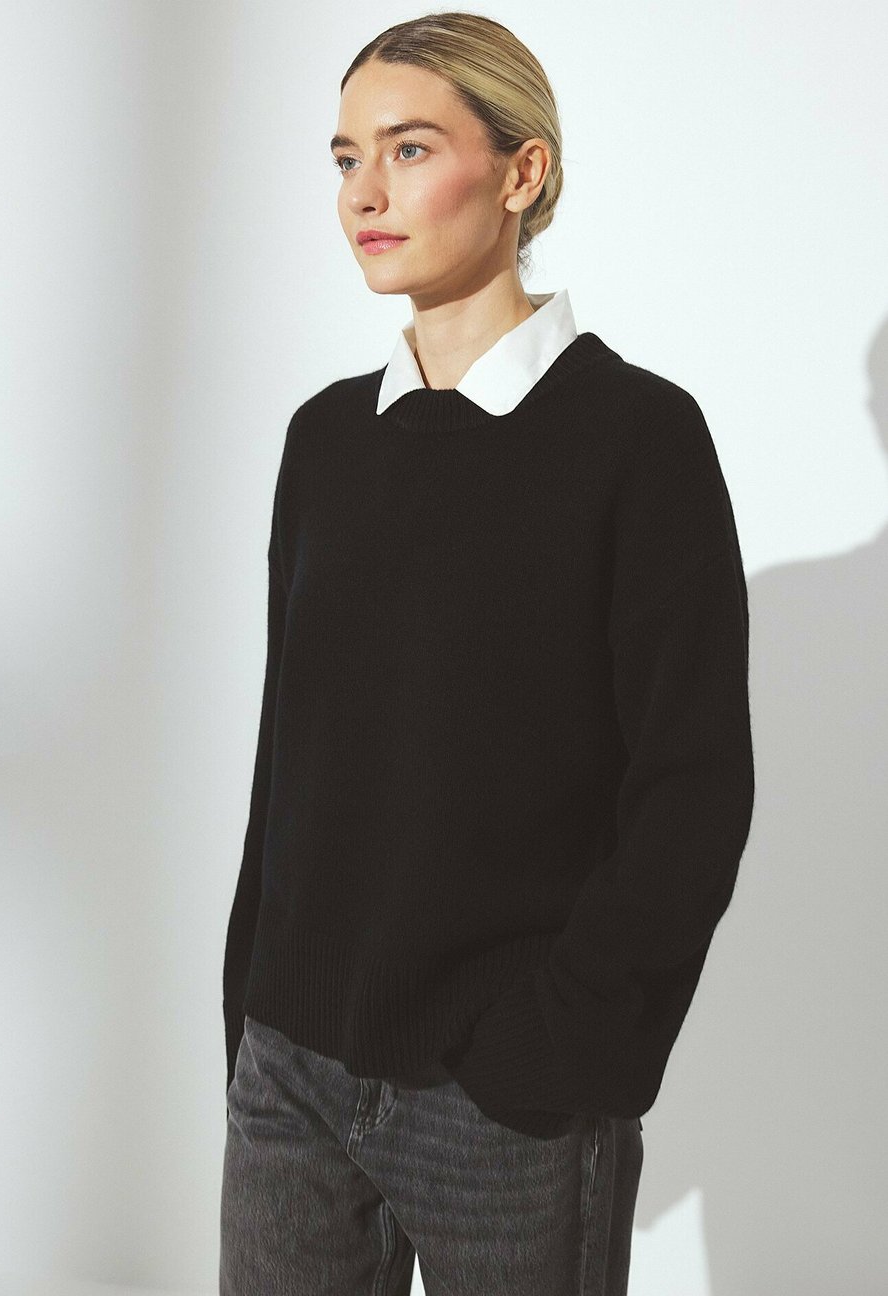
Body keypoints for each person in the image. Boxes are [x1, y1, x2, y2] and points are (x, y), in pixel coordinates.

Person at [219, 11, 755, 1295]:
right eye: (346, 158)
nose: (363, 194)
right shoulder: (326, 442)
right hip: (291, 1078)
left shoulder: (639, 440)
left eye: (409, 149)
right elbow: (292, 754)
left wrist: (561, 1051)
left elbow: (692, 786)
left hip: (504, 1103)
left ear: (523, 173)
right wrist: (248, 1008)